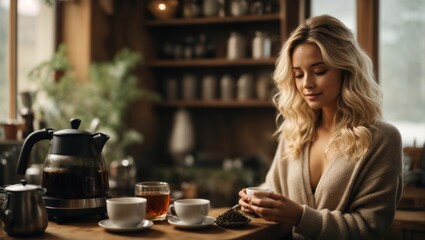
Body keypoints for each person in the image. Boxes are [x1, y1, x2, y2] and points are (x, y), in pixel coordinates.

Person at [238, 14, 403, 239]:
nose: (307, 84)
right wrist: (254, 202)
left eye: (319, 71)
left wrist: (300, 217)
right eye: (298, 74)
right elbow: (273, 187)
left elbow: (370, 227)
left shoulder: (382, 139)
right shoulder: (294, 132)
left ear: (346, 69)